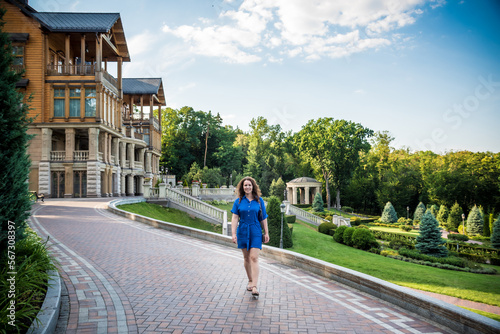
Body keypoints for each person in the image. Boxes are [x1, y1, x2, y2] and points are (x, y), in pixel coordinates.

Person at [231, 176, 269, 298]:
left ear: (253, 186)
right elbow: (235, 218)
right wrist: (233, 233)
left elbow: (263, 217)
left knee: (254, 257)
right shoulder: (238, 201)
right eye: (245, 185)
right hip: (242, 230)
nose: (247, 187)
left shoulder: (259, 201)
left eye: (249, 185)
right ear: (242, 187)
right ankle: (250, 280)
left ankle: (255, 286)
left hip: (256, 231)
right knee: (246, 258)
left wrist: (266, 233)